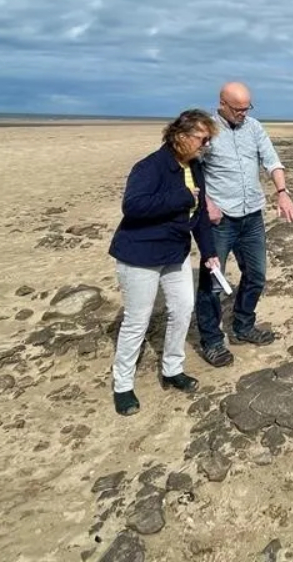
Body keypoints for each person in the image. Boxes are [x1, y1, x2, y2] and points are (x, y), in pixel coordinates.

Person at [107, 108, 222, 416]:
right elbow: (133, 206)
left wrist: (209, 252)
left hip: (176, 253)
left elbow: (199, 218)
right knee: (137, 319)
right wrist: (183, 198)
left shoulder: (195, 167)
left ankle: (173, 369)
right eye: (202, 139)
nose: (206, 145)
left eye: (209, 140)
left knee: (183, 309)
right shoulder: (150, 166)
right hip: (140, 255)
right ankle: (123, 386)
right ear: (179, 136)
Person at [193, 81, 293, 367]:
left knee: (257, 275)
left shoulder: (254, 127)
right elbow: (190, 168)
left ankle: (243, 325)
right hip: (220, 220)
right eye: (237, 109)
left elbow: (272, 161)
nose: (243, 113)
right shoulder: (206, 130)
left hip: (252, 216)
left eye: (247, 107)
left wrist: (283, 193)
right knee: (212, 285)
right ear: (222, 104)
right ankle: (212, 342)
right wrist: (206, 204)